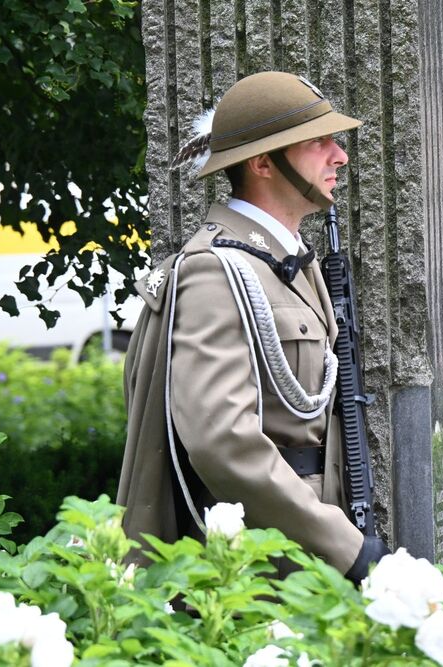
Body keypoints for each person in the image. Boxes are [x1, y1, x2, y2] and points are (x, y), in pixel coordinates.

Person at [117, 71, 388, 583]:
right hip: (260, 567)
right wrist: (343, 545)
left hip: (308, 548)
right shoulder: (214, 271)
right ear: (263, 162)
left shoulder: (290, 262)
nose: (340, 156)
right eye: (318, 142)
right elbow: (224, 442)